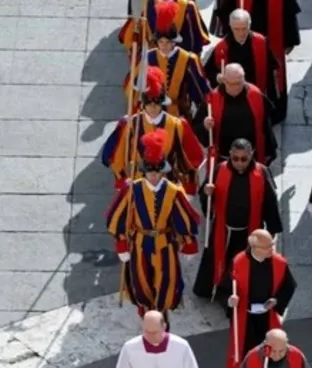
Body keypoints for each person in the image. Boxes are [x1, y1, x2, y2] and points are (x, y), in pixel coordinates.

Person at [106, 130, 201, 323]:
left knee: (166, 282)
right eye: (150, 170)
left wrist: (189, 241)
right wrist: (121, 243)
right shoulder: (131, 189)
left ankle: (160, 316)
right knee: (141, 281)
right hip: (139, 243)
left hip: (165, 243)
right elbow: (117, 215)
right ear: (144, 170)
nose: (154, 175)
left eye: (158, 170)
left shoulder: (173, 191)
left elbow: (184, 215)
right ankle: (147, 312)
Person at [215, 0, 301, 124]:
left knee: (273, 77)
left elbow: (290, 16)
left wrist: (291, 41)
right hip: (243, 42)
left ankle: (273, 114)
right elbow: (224, 13)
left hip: (272, 43)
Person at [193, 139, 283, 300]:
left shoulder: (261, 172)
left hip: (248, 232)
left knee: (244, 267)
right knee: (217, 262)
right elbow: (206, 198)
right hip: (223, 229)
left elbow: (270, 202)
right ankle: (215, 289)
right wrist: (207, 193)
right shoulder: (220, 169)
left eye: (244, 159)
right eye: (235, 159)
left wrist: (271, 231)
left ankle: (237, 295)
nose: (239, 163)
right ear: (230, 156)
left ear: (251, 155)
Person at [101, 67, 205, 193]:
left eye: (157, 103)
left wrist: (189, 185)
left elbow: (191, 158)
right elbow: (116, 157)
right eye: (150, 103)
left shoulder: (177, 124)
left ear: (162, 103)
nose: (154, 107)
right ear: (144, 104)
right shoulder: (130, 124)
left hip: (169, 185)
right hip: (138, 185)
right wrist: (121, 180)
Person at [125, 0, 210, 118]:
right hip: (151, 112)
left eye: (168, 42)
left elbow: (199, 89)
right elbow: (134, 85)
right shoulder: (147, 58)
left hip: (178, 113)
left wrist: (205, 112)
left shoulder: (188, 59)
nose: (164, 46)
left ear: (174, 42)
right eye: (161, 42)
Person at [226, 229, 298, 362]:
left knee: (271, 352)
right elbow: (228, 288)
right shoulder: (238, 262)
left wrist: (276, 300)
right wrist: (231, 301)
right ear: (254, 247)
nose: (272, 249)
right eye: (267, 247)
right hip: (245, 315)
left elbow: (289, 286)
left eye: (272, 244)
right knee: (245, 352)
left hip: (267, 314)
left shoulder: (279, 262)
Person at [204, 63, 278, 163]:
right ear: (224, 81)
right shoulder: (212, 98)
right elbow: (198, 127)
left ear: (244, 79)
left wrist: (270, 150)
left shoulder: (256, 95)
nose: (236, 87)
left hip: (252, 157)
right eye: (231, 84)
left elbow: (265, 124)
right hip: (223, 158)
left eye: (239, 83)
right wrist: (205, 125)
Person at [204, 9, 279, 105]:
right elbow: (208, 72)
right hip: (231, 100)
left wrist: (272, 99)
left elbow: (272, 72)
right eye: (237, 29)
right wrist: (218, 77)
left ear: (249, 25)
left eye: (244, 28)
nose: (241, 33)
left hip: (256, 96)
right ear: (230, 26)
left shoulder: (261, 42)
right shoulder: (221, 48)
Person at [115, 310, 200, 368]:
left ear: (164, 327)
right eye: (147, 332)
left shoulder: (181, 346)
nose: (151, 336)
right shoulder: (129, 348)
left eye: (155, 332)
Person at [239, 329, 310, 367]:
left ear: (286, 344)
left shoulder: (296, 355)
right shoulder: (253, 356)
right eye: (274, 351)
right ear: (265, 345)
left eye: (281, 351)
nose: (277, 356)